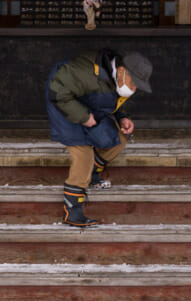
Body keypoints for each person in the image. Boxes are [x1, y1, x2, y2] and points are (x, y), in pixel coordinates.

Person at [45, 49, 153, 226]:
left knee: (118, 139)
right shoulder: (84, 72)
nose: (134, 90)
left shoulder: (115, 78)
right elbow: (57, 94)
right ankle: (72, 212)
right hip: (63, 106)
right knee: (83, 155)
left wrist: (121, 117)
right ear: (120, 71)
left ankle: (92, 174)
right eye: (133, 84)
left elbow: (111, 101)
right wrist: (83, 117)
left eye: (137, 87)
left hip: (88, 106)